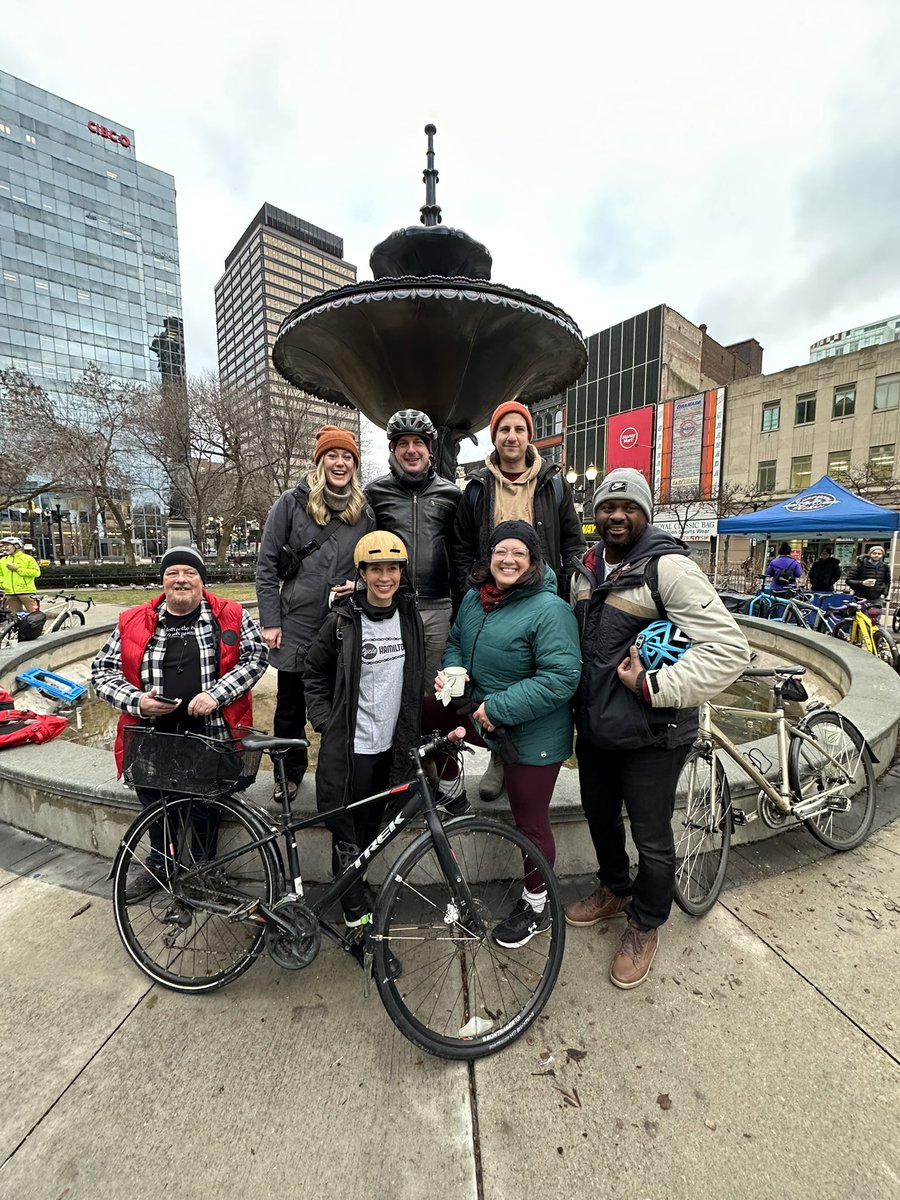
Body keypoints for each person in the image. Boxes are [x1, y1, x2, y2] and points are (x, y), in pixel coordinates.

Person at [567, 468, 750, 989]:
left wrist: (656, 687)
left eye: (629, 508)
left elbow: (729, 650)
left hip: (654, 732)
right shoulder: (587, 568)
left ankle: (645, 922)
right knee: (600, 817)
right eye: (608, 507)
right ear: (595, 513)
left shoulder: (668, 567)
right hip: (599, 728)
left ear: (645, 513)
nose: (617, 516)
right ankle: (614, 889)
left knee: (651, 836)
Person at [425, 520, 582, 948]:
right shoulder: (478, 600)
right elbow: (456, 639)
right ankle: (451, 788)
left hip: (533, 734)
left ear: (532, 561)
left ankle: (537, 905)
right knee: (426, 711)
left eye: (518, 553)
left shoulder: (550, 610)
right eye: (500, 551)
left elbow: (561, 677)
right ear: (488, 557)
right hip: (483, 713)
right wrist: (455, 675)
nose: (508, 560)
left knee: (530, 822)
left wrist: (498, 707)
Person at [92, 545, 268, 901]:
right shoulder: (132, 620)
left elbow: (256, 657)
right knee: (156, 808)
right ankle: (159, 865)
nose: (181, 579)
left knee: (207, 807)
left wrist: (216, 694)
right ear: (163, 581)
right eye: (173, 573)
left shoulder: (230, 615)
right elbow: (100, 672)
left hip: (212, 734)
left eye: (190, 573)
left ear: (202, 580)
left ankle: (205, 869)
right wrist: (138, 701)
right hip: (151, 738)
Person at [452, 400, 585, 801]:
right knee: (497, 677)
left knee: (537, 673)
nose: (512, 436)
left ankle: (531, 756)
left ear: (530, 435)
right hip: (491, 595)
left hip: (538, 595)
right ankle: (499, 756)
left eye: (519, 429)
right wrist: (470, 596)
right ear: (494, 437)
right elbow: (460, 547)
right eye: (504, 429)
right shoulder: (476, 487)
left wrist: (567, 594)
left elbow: (573, 541)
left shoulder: (553, 482)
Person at [304, 531, 424, 929]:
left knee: (374, 823)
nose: (385, 577)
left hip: (392, 744)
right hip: (354, 746)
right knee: (348, 830)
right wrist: (326, 721)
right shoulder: (342, 621)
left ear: (401, 573)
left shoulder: (408, 617)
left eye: (392, 568)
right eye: (376, 569)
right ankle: (355, 914)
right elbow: (313, 672)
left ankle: (360, 881)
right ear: (362, 573)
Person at [256, 424, 375, 803]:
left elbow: (373, 566)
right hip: (296, 620)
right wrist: (271, 620)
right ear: (320, 461)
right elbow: (266, 565)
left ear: (354, 465)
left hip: (341, 623)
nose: (340, 463)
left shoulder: (365, 513)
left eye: (347, 457)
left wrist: (358, 587)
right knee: (290, 703)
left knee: (339, 702)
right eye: (333, 456)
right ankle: (288, 773)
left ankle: (337, 772)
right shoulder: (291, 503)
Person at [365, 409, 461, 691]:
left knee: (434, 687)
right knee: (392, 684)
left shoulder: (451, 494)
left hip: (439, 606)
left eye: (418, 442)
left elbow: (461, 552)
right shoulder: (375, 493)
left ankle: (430, 736)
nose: (411, 450)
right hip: (392, 604)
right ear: (392, 448)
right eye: (402, 443)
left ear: (430, 448)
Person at [0, 536, 40, 612]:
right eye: (4, 545)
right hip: (10, 594)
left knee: (35, 616)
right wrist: (3, 584)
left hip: (26, 592)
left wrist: (18, 569)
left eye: (7, 545)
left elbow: (36, 573)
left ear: (17, 546)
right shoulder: (3, 560)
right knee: (14, 619)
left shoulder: (28, 558)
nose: (5, 548)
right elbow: (0, 575)